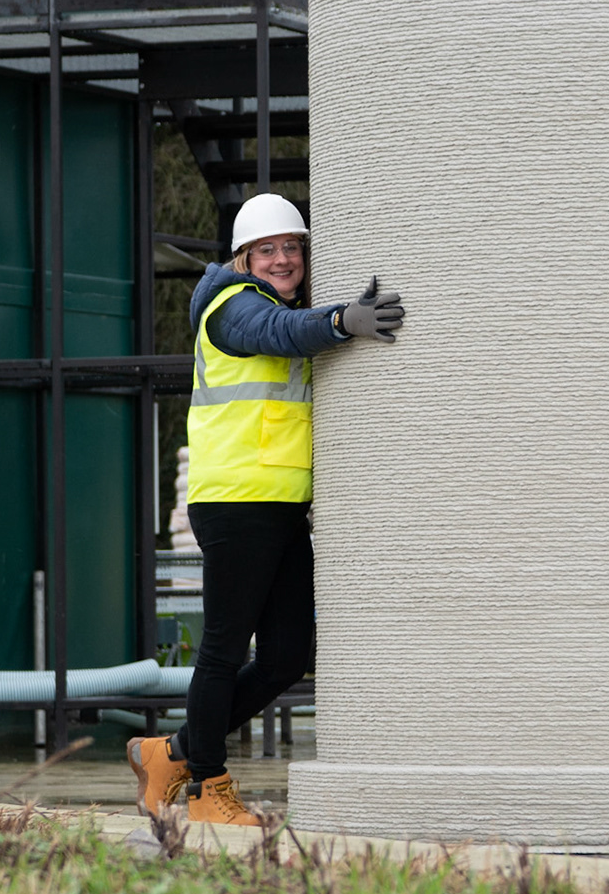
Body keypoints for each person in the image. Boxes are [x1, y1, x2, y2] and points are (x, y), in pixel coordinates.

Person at [128, 192, 405, 826]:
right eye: (268, 250)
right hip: (235, 503)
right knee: (223, 650)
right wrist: (341, 323)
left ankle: (169, 752)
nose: (283, 259)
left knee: (285, 657)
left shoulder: (276, 303)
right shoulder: (231, 309)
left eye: (292, 248)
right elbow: (275, 333)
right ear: (243, 258)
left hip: (281, 507)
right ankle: (208, 789)